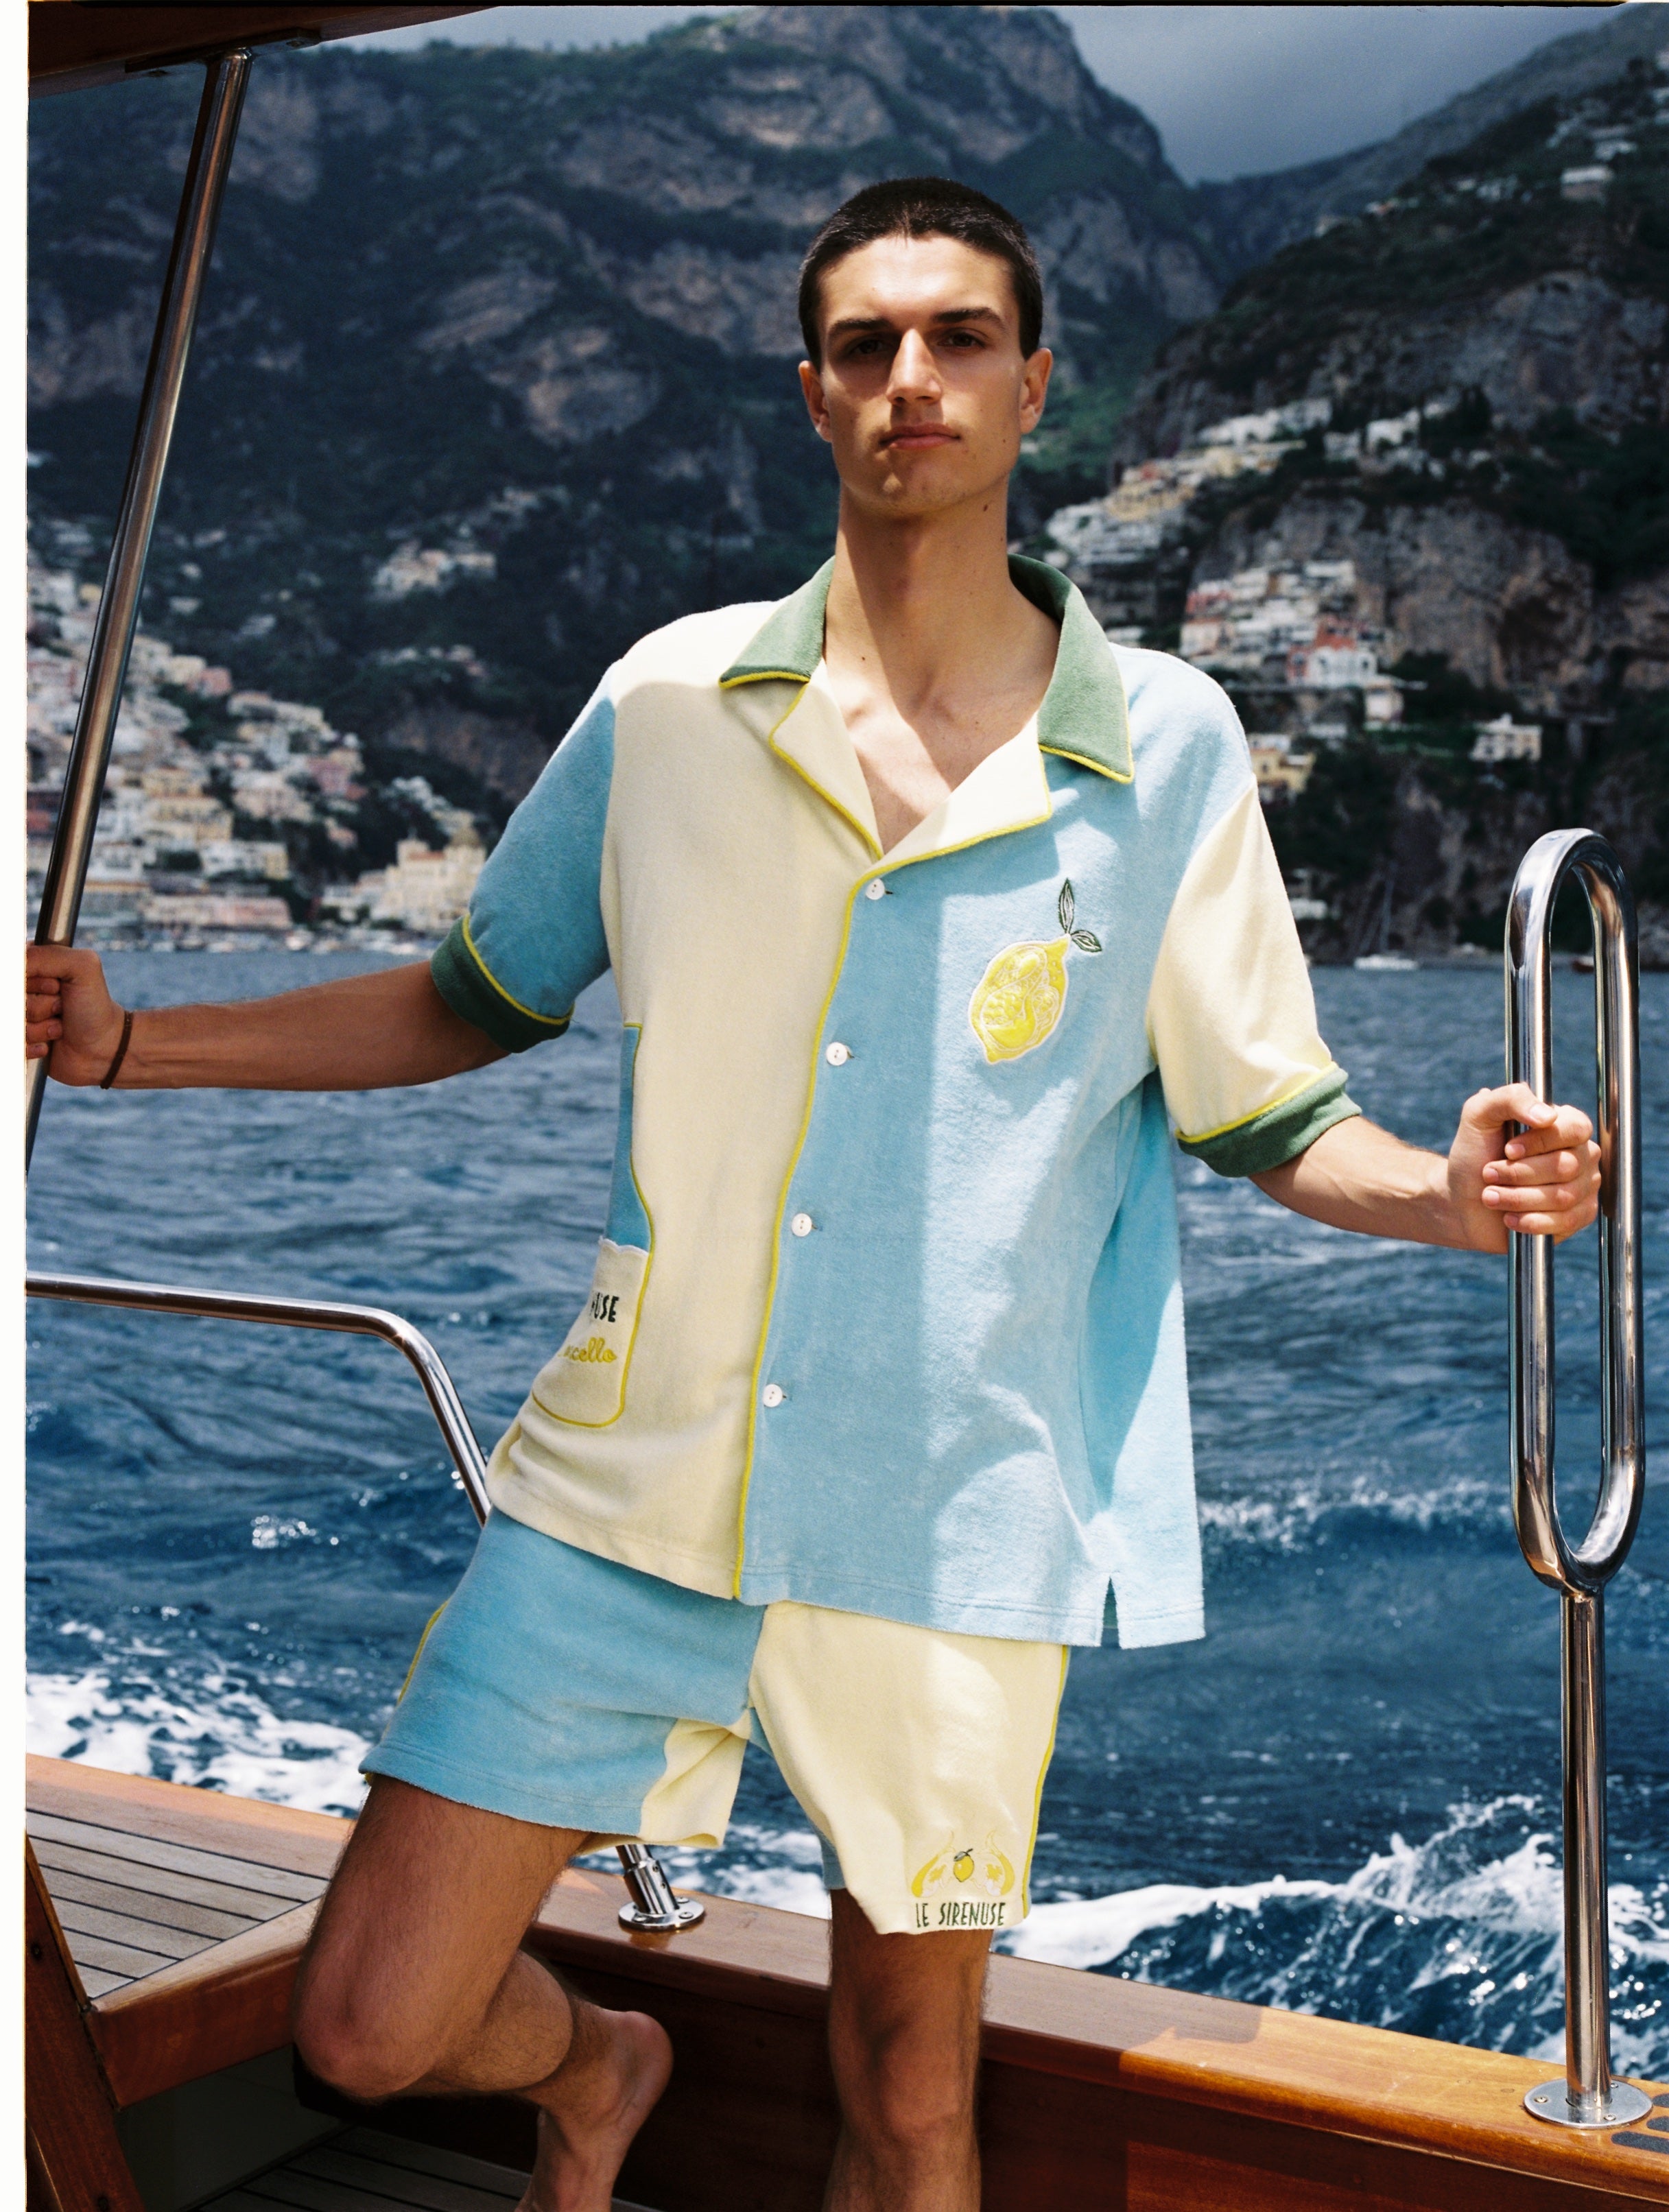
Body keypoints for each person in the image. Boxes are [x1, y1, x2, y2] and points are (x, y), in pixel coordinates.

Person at [25, 178, 1600, 2212]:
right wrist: (138, 1039)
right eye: (864, 346)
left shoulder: (1171, 750)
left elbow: (1265, 1110)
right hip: (630, 1475)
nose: (910, 380)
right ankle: (600, 2062)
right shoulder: (671, 702)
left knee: (907, 2094)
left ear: (1037, 385)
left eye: (955, 340)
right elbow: (463, 993)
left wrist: (1451, 1195)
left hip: (945, 1508)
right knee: (369, 2016)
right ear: (811, 397)